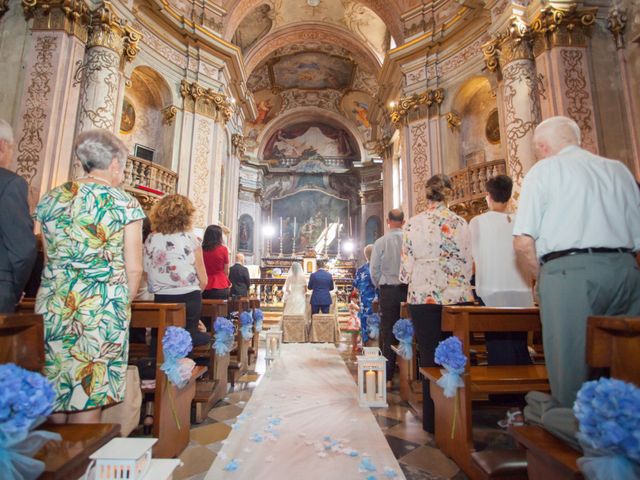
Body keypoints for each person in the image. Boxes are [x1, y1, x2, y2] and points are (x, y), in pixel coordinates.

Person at [513, 116, 640, 409]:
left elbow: (523, 240)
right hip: (625, 270)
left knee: (570, 370)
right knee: (629, 364)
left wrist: (542, 277)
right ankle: (625, 431)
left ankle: (571, 433)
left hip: (570, 273)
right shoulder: (618, 170)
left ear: (542, 146)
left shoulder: (545, 170)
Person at [34, 129, 145, 423]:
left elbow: (47, 257)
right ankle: (83, 466)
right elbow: (134, 268)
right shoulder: (123, 202)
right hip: (101, 308)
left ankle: (56, 464)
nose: (122, 173)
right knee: (90, 393)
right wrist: (121, 301)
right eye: (123, 166)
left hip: (54, 304)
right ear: (113, 165)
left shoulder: (51, 198)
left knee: (56, 388)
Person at [400, 174, 474, 433]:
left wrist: (412, 277)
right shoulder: (461, 222)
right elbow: (467, 260)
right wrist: (458, 280)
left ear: (426, 194)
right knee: (457, 352)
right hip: (456, 293)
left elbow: (406, 266)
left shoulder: (413, 224)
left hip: (423, 293)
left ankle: (432, 419)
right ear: (449, 193)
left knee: (429, 353)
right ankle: (457, 415)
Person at [470, 175, 533, 366]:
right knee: (519, 341)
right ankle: (523, 390)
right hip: (521, 289)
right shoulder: (522, 220)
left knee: (497, 344)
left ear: (488, 196)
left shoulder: (478, 221)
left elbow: (471, 256)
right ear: (509, 195)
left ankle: (502, 395)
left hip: (491, 288)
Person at [144, 194, 209, 347]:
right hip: (190, 296)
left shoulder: (151, 239)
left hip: (161, 296)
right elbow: (204, 280)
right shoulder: (191, 238)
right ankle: (184, 368)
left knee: (160, 338)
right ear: (187, 216)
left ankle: (157, 367)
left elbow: (146, 270)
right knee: (186, 341)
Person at [0, 119, 36, 312]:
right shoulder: (10, 183)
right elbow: (23, 249)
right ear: (2, 145)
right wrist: (14, 290)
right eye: (12, 148)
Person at [370, 209, 407, 389]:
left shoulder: (380, 242)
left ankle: (388, 378)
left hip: (389, 291)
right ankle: (412, 375)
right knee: (411, 331)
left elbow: (374, 269)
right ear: (404, 221)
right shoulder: (410, 239)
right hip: (409, 290)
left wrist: (379, 284)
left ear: (387, 221)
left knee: (388, 332)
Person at [352, 244, 377, 345]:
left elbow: (355, 290)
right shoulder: (379, 268)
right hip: (378, 304)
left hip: (365, 305)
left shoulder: (360, 270)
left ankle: (366, 347)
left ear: (365, 256)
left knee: (365, 326)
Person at [201, 225, 232, 299]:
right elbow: (226, 271)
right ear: (219, 236)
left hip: (204, 285)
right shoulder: (223, 249)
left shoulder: (200, 250)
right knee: (221, 309)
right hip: (221, 285)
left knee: (205, 309)